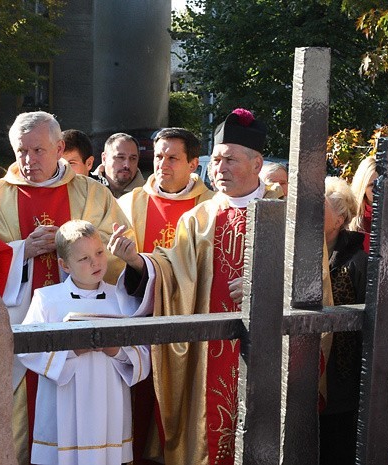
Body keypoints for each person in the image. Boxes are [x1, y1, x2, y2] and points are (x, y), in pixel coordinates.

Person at [109, 108, 293, 465]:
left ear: (257, 164)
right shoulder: (199, 218)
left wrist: (269, 287)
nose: (219, 168)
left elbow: (312, 282)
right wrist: (137, 262)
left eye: (230, 161)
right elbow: (173, 271)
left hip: (271, 350)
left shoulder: (286, 214)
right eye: (216, 160)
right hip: (212, 351)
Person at [0, 111, 133, 465]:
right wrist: (21, 250)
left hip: (83, 349)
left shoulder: (92, 194)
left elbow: (118, 258)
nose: (28, 160)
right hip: (15, 335)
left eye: (38, 150)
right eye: (20, 151)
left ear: (59, 147)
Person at [117, 127, 213, 464]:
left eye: (173, 158)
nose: (163, 164)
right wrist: (130, 263)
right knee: (137, 410)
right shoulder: (128, 204)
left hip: (190, 328)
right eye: (159, 156)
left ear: (194, 164)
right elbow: (114, 269)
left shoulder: (211, 208)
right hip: (140, 324)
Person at [18, 220, 150, 465]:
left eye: (99, 253)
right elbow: (28, 349)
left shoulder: (122, 297)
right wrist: (70, 351)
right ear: (64, 265)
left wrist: (117, 351)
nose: (96, 262)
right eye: (84, 259)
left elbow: (143, 353)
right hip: (63, 401)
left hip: (109, 401)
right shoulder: (46, 299)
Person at [320, 176, 368, 465]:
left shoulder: (356, 262)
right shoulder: (293, 250)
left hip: (339, 379)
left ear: (340, 219)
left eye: (320, 207)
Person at [92, 133, 145, 198]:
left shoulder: (148, 195)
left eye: (133, 159)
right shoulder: (85, 188)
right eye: (121, 157)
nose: (127, 165)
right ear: (104, 159)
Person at [349, 156, 377, 252]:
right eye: (372, 185)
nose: (378, 189)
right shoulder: (349, 218)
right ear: (363, 187)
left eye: (383, 183)